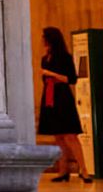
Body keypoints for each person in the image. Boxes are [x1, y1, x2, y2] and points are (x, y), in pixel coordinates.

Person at [38, 26, 92, 183]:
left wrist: (51, 74)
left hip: (62, 97)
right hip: (49, 96)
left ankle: (84, 169)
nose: (42, 40)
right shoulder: (44, 58)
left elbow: (72, 79)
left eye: (44, 37)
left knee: (70, 135)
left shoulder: (65, 57)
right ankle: (63, 171)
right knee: (58, 136)